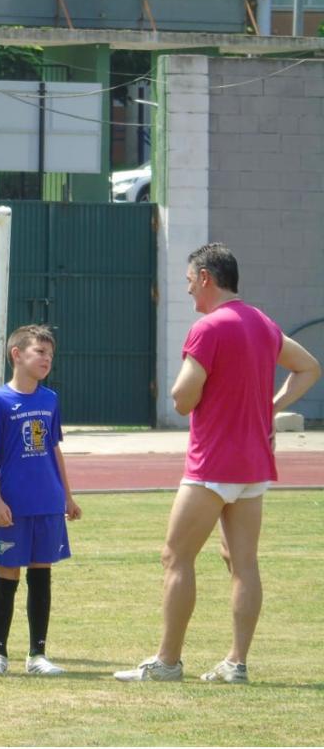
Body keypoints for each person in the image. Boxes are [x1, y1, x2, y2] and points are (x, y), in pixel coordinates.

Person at [115, 243, 320, 684]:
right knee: (243, 563)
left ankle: (168, 662)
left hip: (212, 466)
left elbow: (181, 398)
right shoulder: (262, 323)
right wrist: (270, 407)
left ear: (206, 277)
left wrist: (199, 384)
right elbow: (308, 367)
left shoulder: (208, 328)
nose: (189, 291)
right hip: (254, 467)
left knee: (175, 556)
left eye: (190, 282)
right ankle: (236, 663)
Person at [0, 324, 82, 676]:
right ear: (17, 354)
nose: (46, 359)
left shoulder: (50, 399)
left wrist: (67, 496)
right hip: (12, 504)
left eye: (49, 354)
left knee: (41, 574)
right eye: (39, 352)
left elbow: (54, 449)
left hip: (46, 502)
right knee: (7, 574)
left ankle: (38, 655)